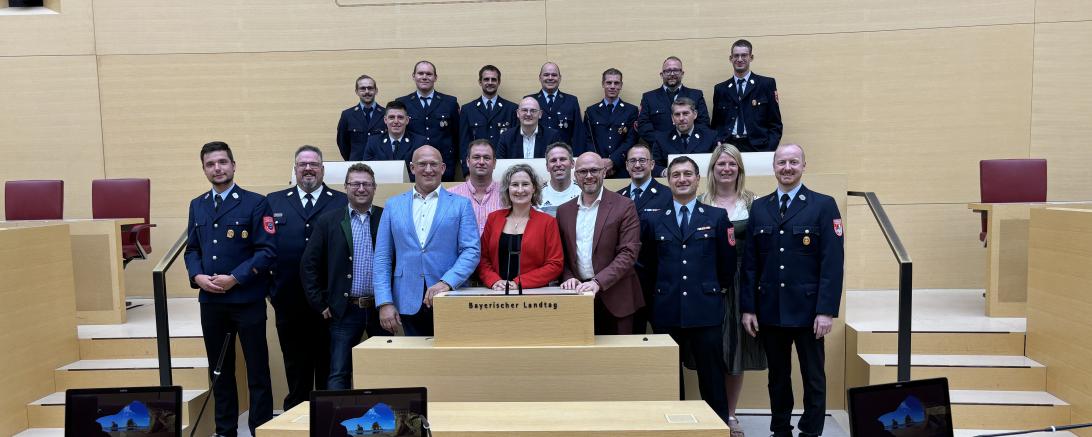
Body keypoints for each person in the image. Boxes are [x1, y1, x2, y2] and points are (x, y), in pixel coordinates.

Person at [740, 143, 844, 437]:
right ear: (774, 167)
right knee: (778, 377)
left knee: (813, 376)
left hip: (810, 310)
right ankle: (780, 429)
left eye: (793, 162)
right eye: (782, 162)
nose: (787, 168)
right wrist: (748, 307)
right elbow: (751, 263)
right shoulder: (760, 207)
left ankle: (811, 430)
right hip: (771, 308)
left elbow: (832, 263)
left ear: (803, 166)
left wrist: (826, 310)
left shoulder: (823, 205)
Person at [183, 141, 274, 436]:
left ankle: (260, 428)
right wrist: (197, 276)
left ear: (233, 166)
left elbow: (266, 251)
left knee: (257, 371)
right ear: (204, 169)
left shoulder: (256, 202)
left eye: (222, 162)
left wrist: (235, 277)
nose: (217, 168)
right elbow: (191, 250)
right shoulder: (197, 205)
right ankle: (225, 430)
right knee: (219, 371)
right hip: (211, 302)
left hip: (246, 299)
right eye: (211, 164)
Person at [641, 155, 735, 426]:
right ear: (668, 181)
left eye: (687, 174)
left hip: (705, 309)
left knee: (712, 374)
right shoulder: (655, 220)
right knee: (669, 374)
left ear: (698, 179)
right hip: (666, 308)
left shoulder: (717, 217)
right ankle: (673, 427)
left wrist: (714, 290)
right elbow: (647, 265)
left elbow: (726, 265)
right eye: (676, 175)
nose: (682, 179)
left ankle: (718, 425)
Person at [266, 145, 347, 410]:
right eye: (303, 164)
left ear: (322, 170)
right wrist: (271, 290)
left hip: (329, 301)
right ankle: (295, 421)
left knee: (328, 365)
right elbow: (263, 248)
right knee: (295, 365)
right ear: (295, 169)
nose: (308, 169)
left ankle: (327, 420)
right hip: (288, 299)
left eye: (314, 164)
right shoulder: (273, 201)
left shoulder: (341, 201)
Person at [373, 146, 481, 336]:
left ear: (443, 168)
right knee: (416, 362)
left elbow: (471, 250)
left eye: (434, 164)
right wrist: (384, 302)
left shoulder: (461, 204)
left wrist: (447, 282)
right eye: (422, 164)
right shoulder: (392, 205)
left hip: (449, 295)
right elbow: (382, 257)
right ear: (412, 168)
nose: (428, 169)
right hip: (406, 301)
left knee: (451, 361)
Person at [699, 143, 767, 436]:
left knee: (736, 349)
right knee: (712, 349)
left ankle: (730, 413)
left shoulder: (754, 202)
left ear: (739, 168)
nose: (726, 169)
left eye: (732, 164)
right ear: (712, 169)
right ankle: (709, 412)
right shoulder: (701, 200)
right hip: (709, 281)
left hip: (742, 282)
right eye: (720, 164)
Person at [300, 163, 385, 390]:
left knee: (386, 370)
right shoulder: (328, 221)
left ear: (374, 188)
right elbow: (309, 265)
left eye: (366, 184)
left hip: (381, 309)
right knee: (338, 372)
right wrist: (319, 303)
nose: (361, 188)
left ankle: (385, 420)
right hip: (344, 310)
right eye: (355, 184)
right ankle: (338, 423)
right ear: (346, 187)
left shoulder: (386, 217)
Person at [556, 152, 643, 334]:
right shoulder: (564, 211)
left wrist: (598, 282)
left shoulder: (625, 206)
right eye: (583, 171)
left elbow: (628, 253)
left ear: (604, 172)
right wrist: (568, 276)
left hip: (618, 300)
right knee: (584, 361)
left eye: (594, 170)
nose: (589, 176)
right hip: (578, 299)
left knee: (619, 360)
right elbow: (561, 254)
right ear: (575, 175)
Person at [477, 164, 563, 290]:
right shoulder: (493, 219)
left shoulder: (548, 222)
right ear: (508, 188)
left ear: (534, 188)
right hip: (496, 293)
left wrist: (519, 282)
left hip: (534, 295)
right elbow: (482, 258)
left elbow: (555, 264)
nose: (520, 190)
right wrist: (493, 280)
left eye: (525, 184)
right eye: (515, 184)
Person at [617, 142, 672, 333]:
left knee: (665, 336)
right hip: (626, 281)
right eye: (633, 161)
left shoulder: (668, 196)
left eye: (642, 160)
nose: (637, 165)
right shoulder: (617, 198)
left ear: (652, 164)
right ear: (626, 166)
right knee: (632, 336)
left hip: (658, 280)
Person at [712, 39, 783, 152]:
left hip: (758, 147)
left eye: (744, 55)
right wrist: (718, 143)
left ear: (751, 57)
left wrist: (769, 148)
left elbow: (775, 123)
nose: (740, 59)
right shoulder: (721, 89)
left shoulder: (766, 84)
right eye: (736, 56)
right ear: (731, 59)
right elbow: (716, 124)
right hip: (728, 148)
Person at [397, 60, 460, 181]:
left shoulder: (450, 103)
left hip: (443, 166)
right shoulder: (402, 103)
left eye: (429, 74)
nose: (424, 77)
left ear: (435, 77)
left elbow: (457, 136)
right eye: (420, 73)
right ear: (413, 76)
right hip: (413, 166)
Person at [636, 56, 710, 145]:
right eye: (668, 71)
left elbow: (703, 124)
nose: (672, 74)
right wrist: (663, 142)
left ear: (682, 73)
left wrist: (689, 142)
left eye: (676, 70)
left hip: (690, 148)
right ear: (661, 74)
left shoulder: (696, 95)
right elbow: (644, 126)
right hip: (659, 149)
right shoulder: (649, 97)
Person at [459, 65, 517, 175]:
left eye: (493, 79)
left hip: (504, 169)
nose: (490, 82)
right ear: (480, 82)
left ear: (499, 82)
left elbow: (514, 144)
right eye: (486, 79)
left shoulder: (511, 109)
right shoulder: (467, 109)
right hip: (477, 169)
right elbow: (464, 143)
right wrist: (466, 173)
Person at [584, 68, 639, 178]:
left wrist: (613, 161)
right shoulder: (591, 111)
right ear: (603, 84)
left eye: (616, 83)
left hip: (623, 167)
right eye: (609, 82)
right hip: (596, 169)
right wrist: (599, 163)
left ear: (621, 85)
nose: (612, 86)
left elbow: (631, 140)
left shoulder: (631, 110)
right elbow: (588, 140)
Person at [525, 62, 585, 153]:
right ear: (540, 78)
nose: (550, 78)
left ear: (560, 78)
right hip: (536, 155)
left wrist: (576, 159)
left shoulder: (571, 101)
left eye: (554, 75)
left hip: (562, 158)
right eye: (546, 75)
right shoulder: (529, 100)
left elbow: (578, 135)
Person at [354, 100, 425, 176]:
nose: (396, 121)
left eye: (400, 117)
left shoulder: (420, 143)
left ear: (407, 120)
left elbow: (421, 172)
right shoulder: (373, 142)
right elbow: (367, 171)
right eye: (391, 117)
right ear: (385, 120)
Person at [651, 97, 718, 177]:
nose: (681, 118)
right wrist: (665, 172)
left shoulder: (710, 137)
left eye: (685, 113)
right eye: (677, 114)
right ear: (672, 118)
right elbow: (654, 167)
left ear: (695, 114)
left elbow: (718, 164)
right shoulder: (661, 139)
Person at [448, 139, 503, 235]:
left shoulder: (507, 194)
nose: (481, 162)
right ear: (468, 162)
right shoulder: (451, 196)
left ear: (494, 163)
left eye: (486, 158)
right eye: (476, 157)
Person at [336, 75, 386, 160]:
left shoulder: (386, 114)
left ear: (376, 91)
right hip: (356, 165)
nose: (367, 92)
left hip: (380, 164)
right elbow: (342, 143)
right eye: (362, 88)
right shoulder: (347, 115)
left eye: (370, 88)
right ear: (357, 92)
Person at [496, 97, 562, 159]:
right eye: (524, 110)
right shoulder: (506, 137)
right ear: (518, 113)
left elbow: (556, 161)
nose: (528, 114)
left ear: (540, 114)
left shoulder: (552, 136)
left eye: (533, 110)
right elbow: (501, 163)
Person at [538, 142, 581, 216]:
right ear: (547, 166)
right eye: (553, 160)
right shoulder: (537, 194)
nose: (558, 164)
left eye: (563, 159)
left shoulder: (582, 191)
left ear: (572, 163)